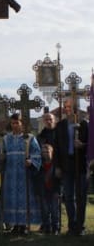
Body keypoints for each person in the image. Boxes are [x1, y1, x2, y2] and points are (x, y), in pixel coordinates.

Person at [0, 113, 41, 235]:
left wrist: (31, 161)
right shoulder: (5, 139)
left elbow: (37, 154)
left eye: (17, 123)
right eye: (13, 123)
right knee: (11, 200)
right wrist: (1, 157)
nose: (15, 125)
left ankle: (23, 224)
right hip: (10, 175)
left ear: (22, 124)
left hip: (24, 175)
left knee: (24, 199)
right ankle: (14, 224)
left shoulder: (29, 138)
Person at [54, 98, 88, 236]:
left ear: (75, 108)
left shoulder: (84, 124)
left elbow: (91, 145)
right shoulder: (61, 125)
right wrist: (57, 166)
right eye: (65, 107)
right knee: (68, 196)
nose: (66, 109)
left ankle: (80, 226)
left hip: (80, 164)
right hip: (66, 164)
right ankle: (72, 225)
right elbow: (56, 147)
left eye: (69, 107)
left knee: (81, 196)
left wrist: (83, 145)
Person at [35, 112, 58, 233]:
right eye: (46, 119)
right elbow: (38, 153)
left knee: (54, 203)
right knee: (44, 203)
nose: (49, 121)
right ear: (44, 121)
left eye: (51, 119)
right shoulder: (40, 136)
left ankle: (55, 226)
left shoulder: (59, 134)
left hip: (56, 169)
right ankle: (46, 224)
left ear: (54, 120)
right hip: (44, 169)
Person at [39, 143, 61, 235]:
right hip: (44, 191)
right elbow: (38, 180)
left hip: (54, 191)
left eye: (47, 151)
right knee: (45, 211)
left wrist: (59, 192)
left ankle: (55, 228)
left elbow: (60, 180)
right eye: (43, 152)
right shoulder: (40, 165)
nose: (45, 153)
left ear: (52, 152)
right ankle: (47, 228)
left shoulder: (56, 165)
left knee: (55, 211)